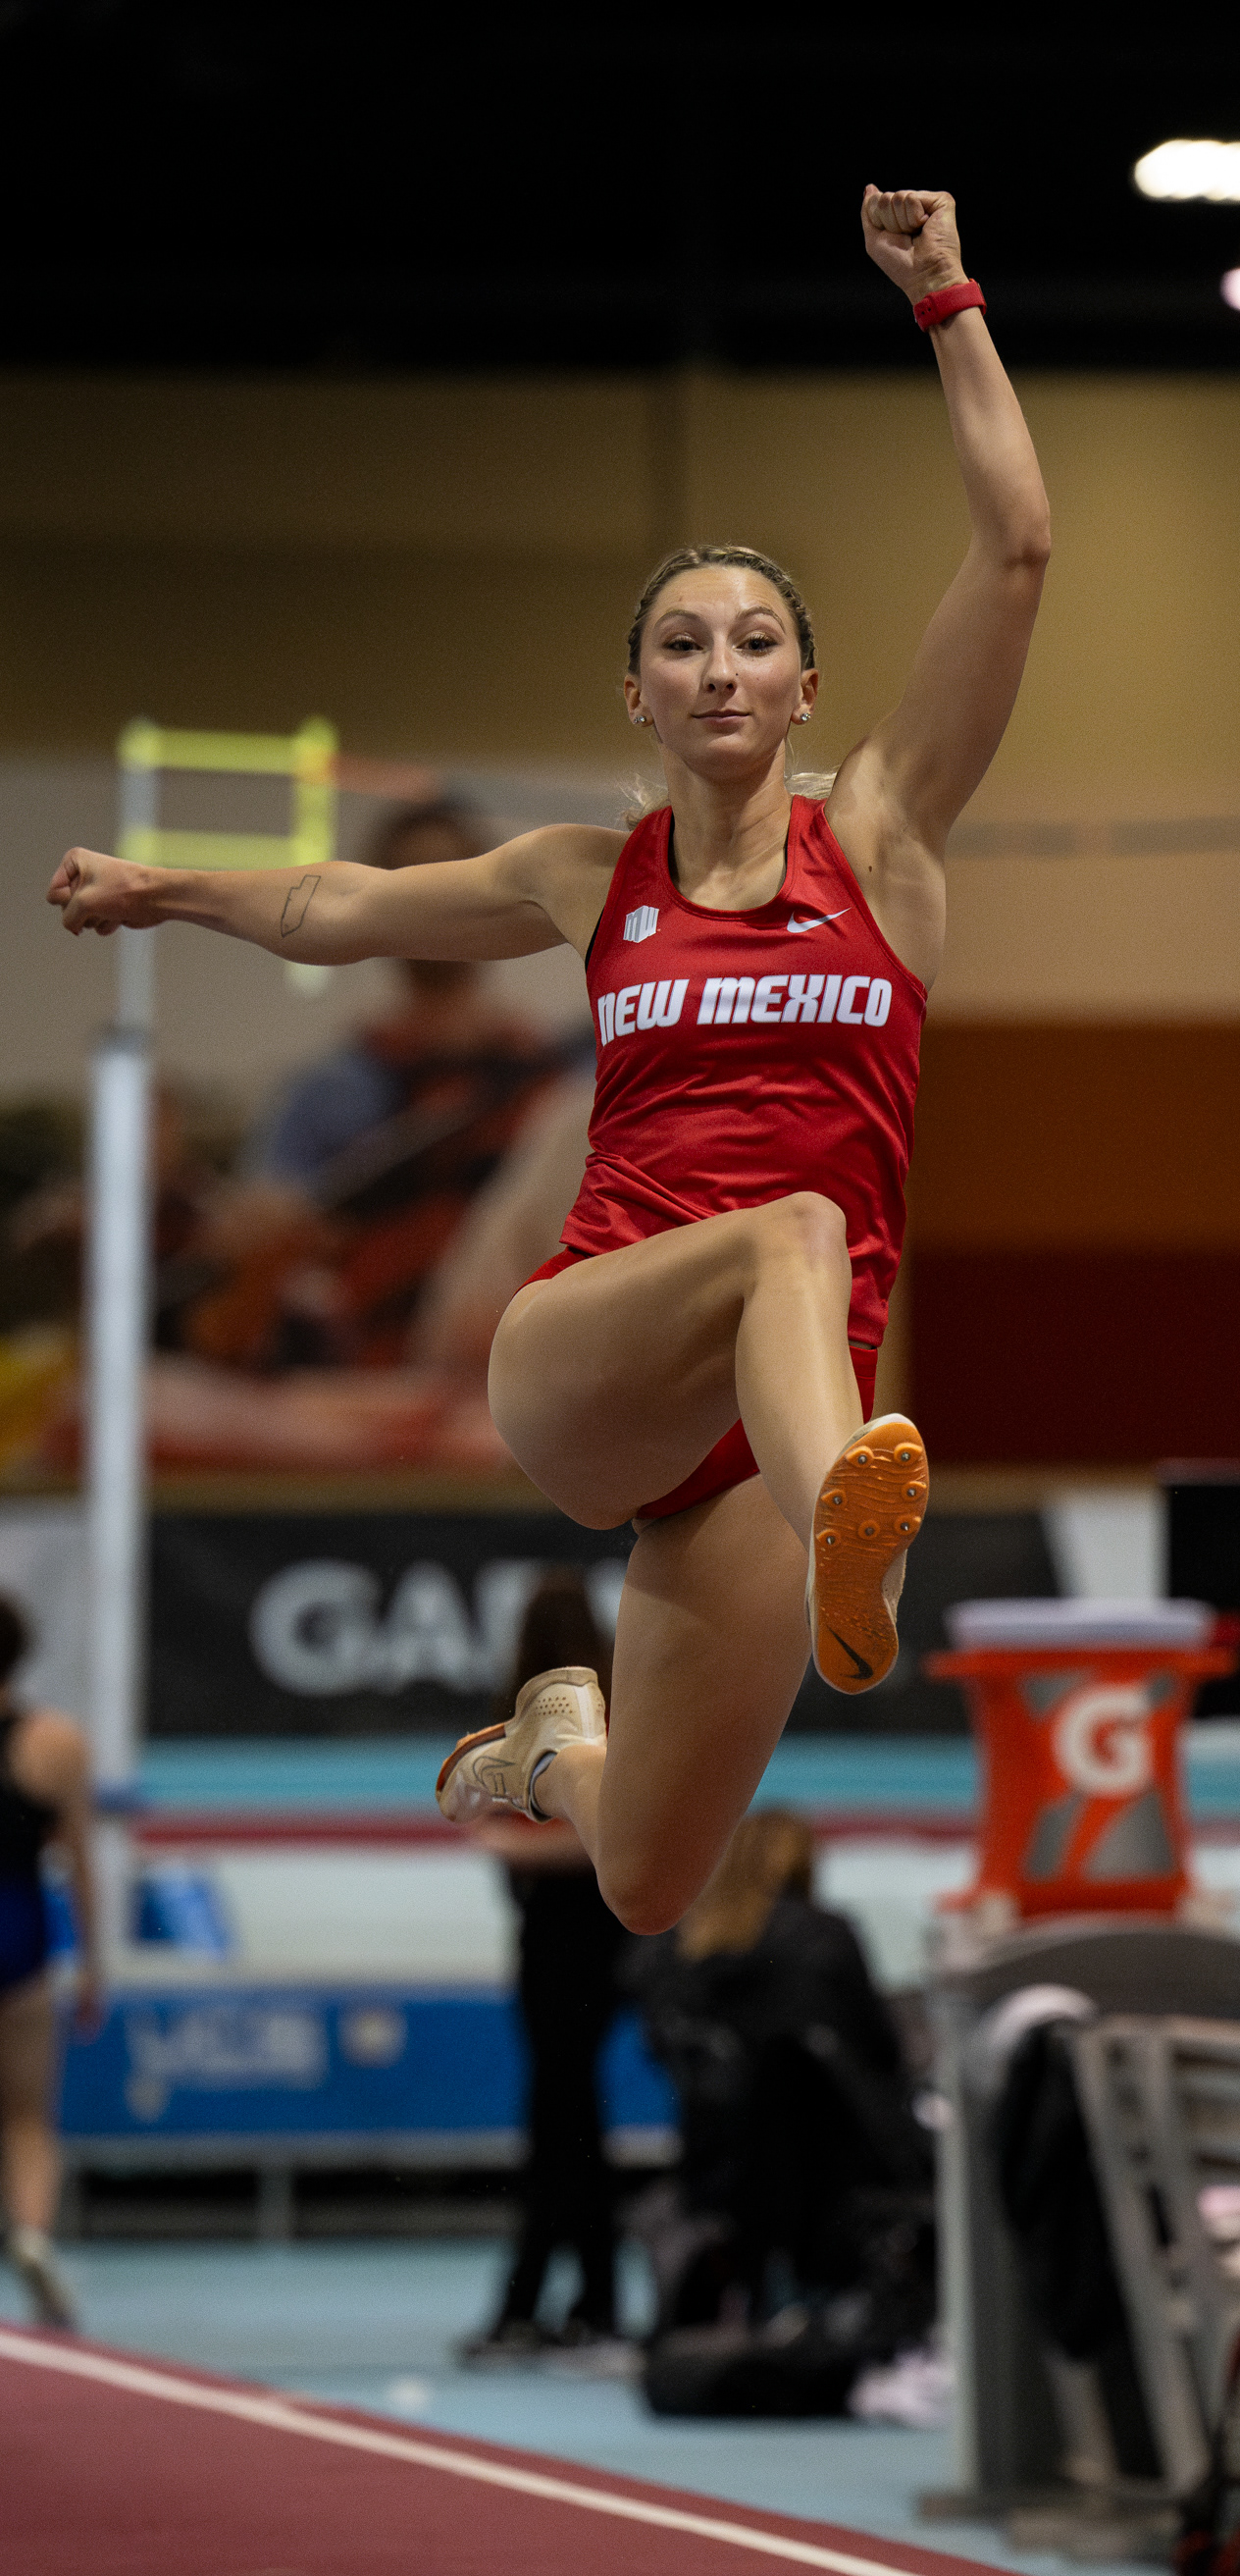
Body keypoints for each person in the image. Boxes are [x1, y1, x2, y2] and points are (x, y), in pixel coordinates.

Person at [47, 185, 1050, 1936]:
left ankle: (548, 1748)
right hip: (591, 1354)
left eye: (754, 642)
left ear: (807, 688)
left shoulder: (885, 846)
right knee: (794, 1230)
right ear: (636, 697)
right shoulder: (590, 878)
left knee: (649, 1880)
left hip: (767, 1433)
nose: (720, 669)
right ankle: (849, 1517)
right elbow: (341, 904)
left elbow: (1018, 548)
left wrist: (947, 300)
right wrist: (168, 890)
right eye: (683, 646)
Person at [187, 799, 582, 1372]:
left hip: (533, 1344)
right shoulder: (330, 1091)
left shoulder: (554, 1076)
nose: (434, 901)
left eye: (455, 877)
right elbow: (260, 1228)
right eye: (409, 882)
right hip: (384, 1355)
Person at [625, 1810, 927, 2339]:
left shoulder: (669, 1949)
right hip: (837, 2168)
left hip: (715, 2166)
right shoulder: (824, 1937)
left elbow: (660, 2048)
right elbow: (881, 2051)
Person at [460, 1569, 628, 2362]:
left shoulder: (578, 1722)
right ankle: (584, 2298)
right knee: (569, 2117)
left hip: (568, 1936)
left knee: (561, 2118)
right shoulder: (581, 1715)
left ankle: (541, 2299)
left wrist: (505, 1842)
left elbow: (601, 1833)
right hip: (583, 1934)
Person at [0, 1592, 99, 2329]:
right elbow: (79, 1863)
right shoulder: (55, 1742)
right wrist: (93, 1962)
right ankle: (32, 2233)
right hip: (20, 1935)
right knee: (28, 2117)